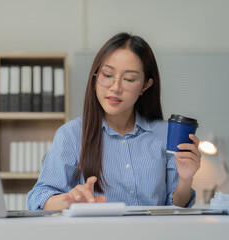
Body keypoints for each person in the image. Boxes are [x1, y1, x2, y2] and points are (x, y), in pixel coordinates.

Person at [27, 32, 201, 210]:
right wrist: (69, 199)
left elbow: (174, 208)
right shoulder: (71, 134)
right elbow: (38, 198)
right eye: (108, 75)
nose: (115, 88)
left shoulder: (165, 134)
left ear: (145, 86)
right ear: (95, 76)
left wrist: (186, 179)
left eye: (129, 79)